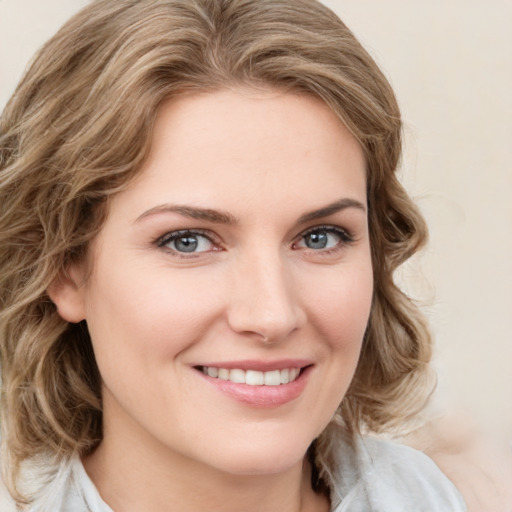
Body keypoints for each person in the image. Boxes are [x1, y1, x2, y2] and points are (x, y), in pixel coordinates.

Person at [0, 0, 468, 510]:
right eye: (188, 241)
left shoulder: (434, 495)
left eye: (320, 237)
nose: (272, 315)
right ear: (63, 267)